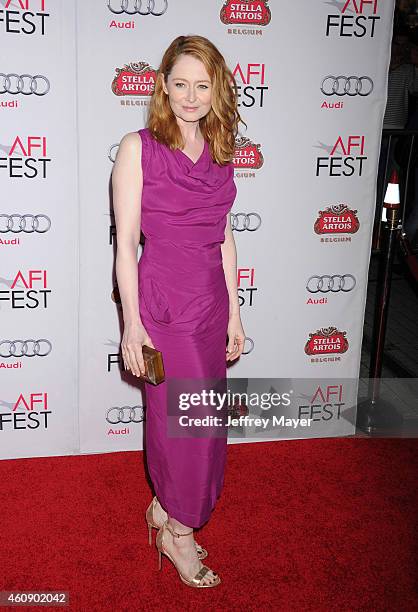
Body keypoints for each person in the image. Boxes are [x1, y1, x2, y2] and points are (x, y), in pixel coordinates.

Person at [111, 35, 246, 588]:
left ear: (216, 90)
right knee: (184, 429)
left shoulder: (220, 150)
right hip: (165, 305)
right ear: (164, 87)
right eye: (181, 84)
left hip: (211, 302)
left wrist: (235, 313)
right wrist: (131, 327)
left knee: (207, 425)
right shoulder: (137, 148)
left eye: (203, 85)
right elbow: (123, 248)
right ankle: (179, 534)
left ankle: (169, 511)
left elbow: (226, 238)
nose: (191, 96)